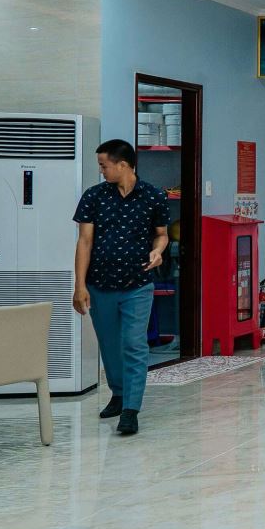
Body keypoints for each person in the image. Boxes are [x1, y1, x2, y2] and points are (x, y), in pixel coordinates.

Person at [73, 139, 170, 436]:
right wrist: (79, 285)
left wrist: (158, 251)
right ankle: (118, 393)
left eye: (104, 165)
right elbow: (84, 242)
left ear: (123, 165)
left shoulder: (154, 196)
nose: (101, 171)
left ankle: (131, 409)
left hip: (137, 284)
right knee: (110, 345)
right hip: (99, 284)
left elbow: (162, 235)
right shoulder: (94, 196)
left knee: (134, 343)